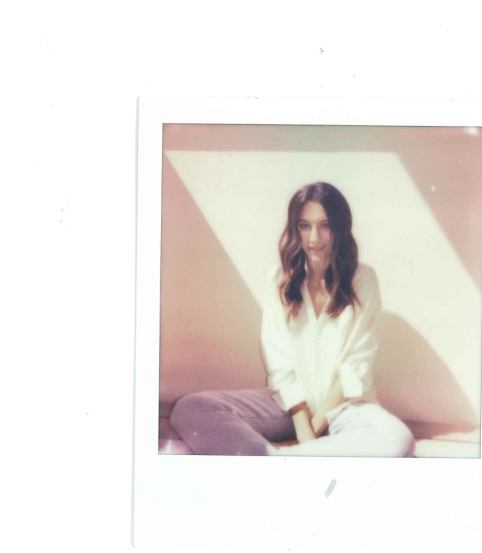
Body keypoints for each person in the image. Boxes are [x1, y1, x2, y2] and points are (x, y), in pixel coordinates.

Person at [170, 182, 414, 458]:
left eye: (325, 225)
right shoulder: (279, 279)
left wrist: (311, 434)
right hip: (287, 406)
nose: (314, 238)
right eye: (304, 226)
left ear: (340, 227)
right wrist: (303, 428)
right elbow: (279, 361)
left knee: (398, 439)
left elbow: (355, 367)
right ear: (294, 229)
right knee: (191, 407)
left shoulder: (363, 279)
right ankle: (274, 460)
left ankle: (283, 463)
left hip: (345, 409)